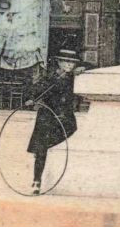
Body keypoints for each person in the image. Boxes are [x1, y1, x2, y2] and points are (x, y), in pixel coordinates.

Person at [26, 48, 83, 194]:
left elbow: (92, 65)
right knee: (41, 148)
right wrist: (32, 99)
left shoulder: (74, 78)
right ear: (59, 63)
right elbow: (36, 90)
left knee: (69, 135)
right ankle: (36, 181)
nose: (69, 66)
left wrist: (82, 69)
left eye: (72, 63)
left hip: (65, 117)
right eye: (66, 62)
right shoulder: (50, 78)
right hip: (47, 116)